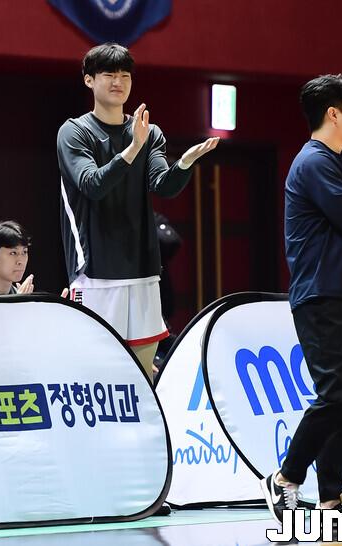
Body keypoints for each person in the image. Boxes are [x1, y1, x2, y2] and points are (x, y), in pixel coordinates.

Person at [260, 74, 342, 522]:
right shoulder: (313, 163)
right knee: (336, 396)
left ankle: (331, 494)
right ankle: (285, 478)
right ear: (333, 113)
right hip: (321, 293)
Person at [57, 42, 219, 381]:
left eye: (125, 75)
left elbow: (163, 185)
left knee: (142, 375)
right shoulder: (74, 132)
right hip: (96, 273)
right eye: (109, 74)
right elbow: (92, 184)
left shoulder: (148, 132)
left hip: (143, 271)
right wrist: (131, 150)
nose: (118, 82)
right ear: (89, 80)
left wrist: (185, 163)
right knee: (95, 373)